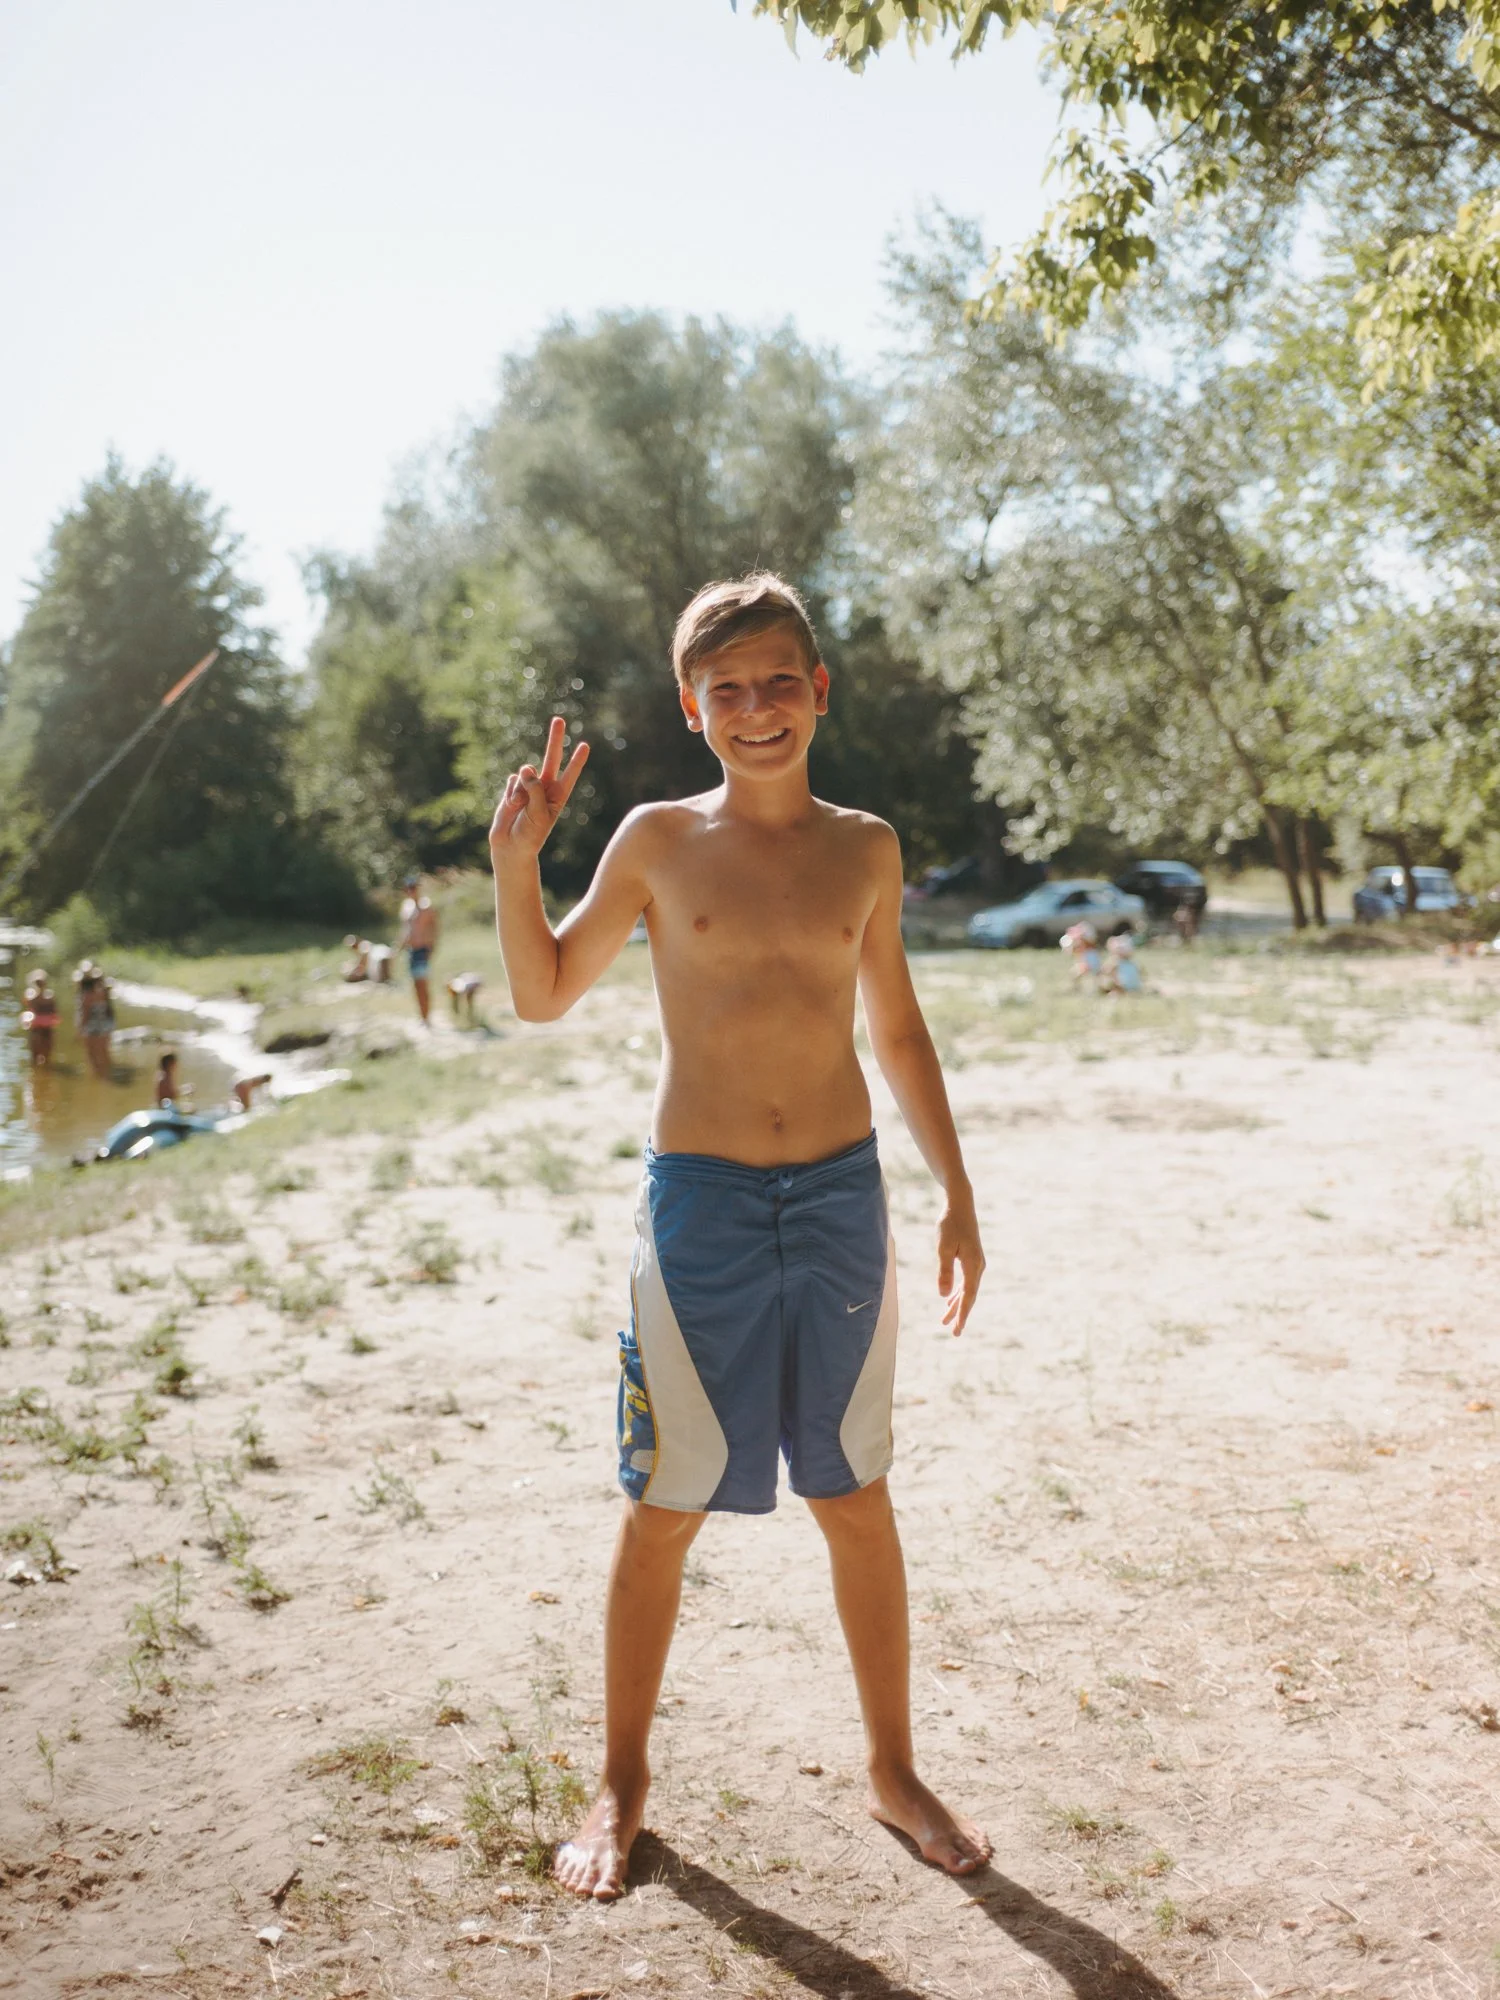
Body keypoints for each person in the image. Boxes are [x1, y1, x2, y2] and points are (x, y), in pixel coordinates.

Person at [490, 572, 989, 1903]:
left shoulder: (867, 849)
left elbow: (897, 1030)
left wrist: (955, 1187)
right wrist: (516, 865)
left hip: (839, 1198)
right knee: (665, 1503)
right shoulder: (656, 840)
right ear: (690, 707)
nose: (756, 708)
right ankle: (622, 1780)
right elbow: (543, 991)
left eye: (778, 682)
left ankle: (893, 1767)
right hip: (701, 1205)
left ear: (817, 691)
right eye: (727, 690)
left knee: (854, 1492)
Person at [397, 874, 439, 1025]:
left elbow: (434, 929)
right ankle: (422, 1016)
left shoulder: (426, 906)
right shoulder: (405, 907)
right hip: (411, 951)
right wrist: (398, 948)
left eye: (413, 888)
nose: (410, 891)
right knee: (415, 985)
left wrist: (431, 949)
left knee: (422, 984)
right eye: (408, 888)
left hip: (422, 950)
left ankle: (427, 1017)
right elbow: (405, 930)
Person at [73, 961, 116, 1079]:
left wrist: (79, 1030)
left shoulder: (86, 995)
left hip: (91, 1026)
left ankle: (97, 1077)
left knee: (91, 1054)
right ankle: (106, 1075)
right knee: (104, 1052)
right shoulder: (102, 992)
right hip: (105, 1025)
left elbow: (85, 1014)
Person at [21, 970, 60, 1067]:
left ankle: (40, 1073)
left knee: (40, 1057)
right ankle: (42, 1073)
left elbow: (27, 1004)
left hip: (41, 1030)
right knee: (41, 1057)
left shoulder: (34, 996)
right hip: (41, 1030)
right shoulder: (47, 996)